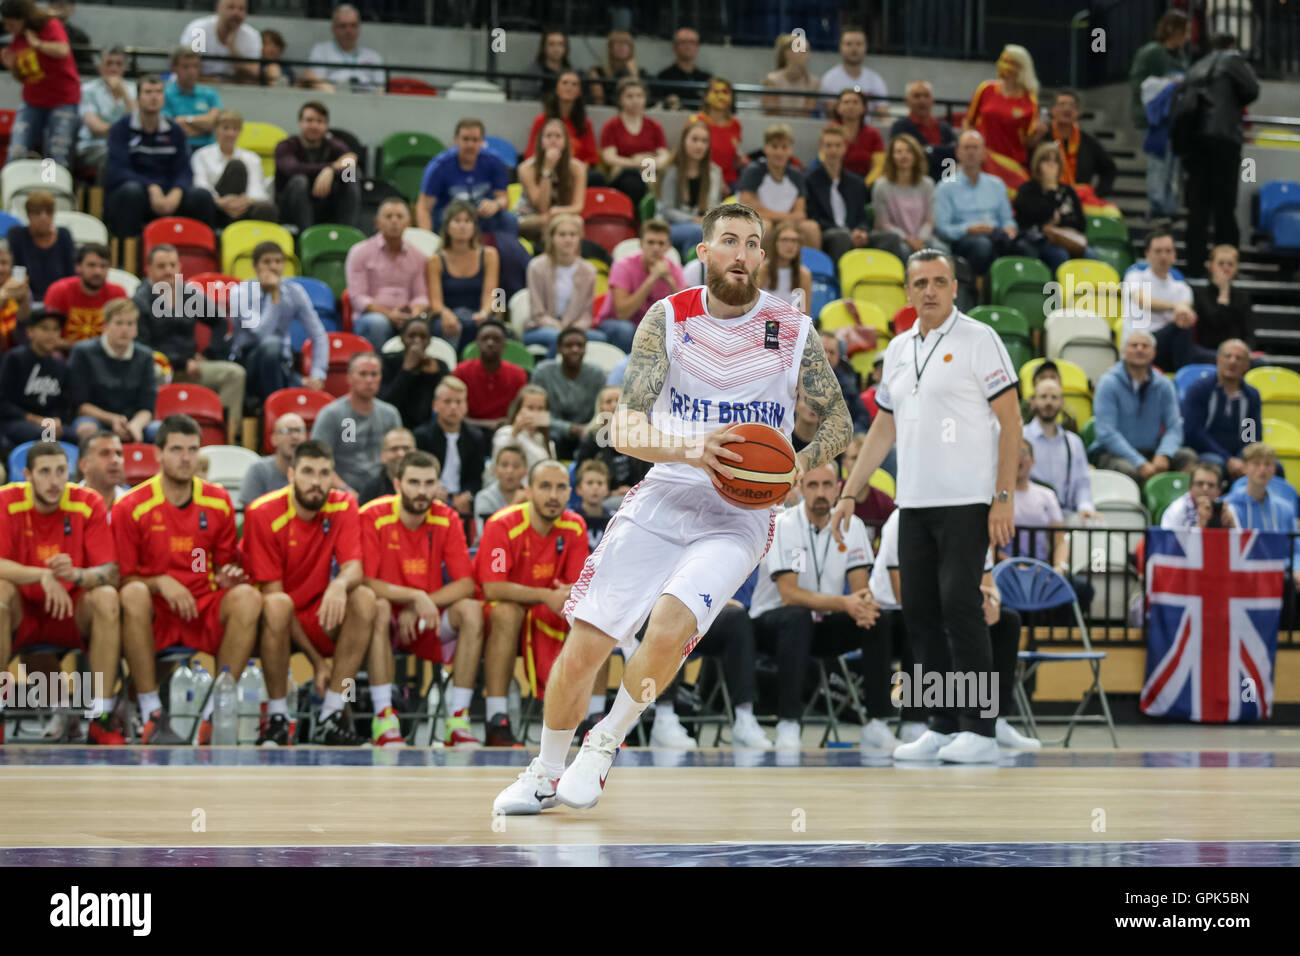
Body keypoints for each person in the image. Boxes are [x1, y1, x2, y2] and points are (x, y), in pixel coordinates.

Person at [492, 202, 852, 814]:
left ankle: (604, 745)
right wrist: (696, 448)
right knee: (585, 644)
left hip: (739, 516)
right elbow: (625, 429)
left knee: (669, 623)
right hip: (665, 492)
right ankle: (545, 771)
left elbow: (839, 421)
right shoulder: (666, 318)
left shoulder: (792, 328)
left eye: (753, 243)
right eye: (729, 241)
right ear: (704, 252)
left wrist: (798, 460)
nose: (741, 253)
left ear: (764, 257)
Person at [833, 249, 1023, 765]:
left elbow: (1012, 423)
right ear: (908, 291)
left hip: (967, 500)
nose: (931, 291)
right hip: (912, 502)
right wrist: (851, 490)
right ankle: (940, 724)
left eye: (940, 282)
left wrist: (1002, 497)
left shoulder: (979, 340)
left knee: (961, 607)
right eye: (921, 283)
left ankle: (980, 732)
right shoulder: (896, 349)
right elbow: (883, 428)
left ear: (956, 287)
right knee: (918, 613)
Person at [113, 415, 265, 744]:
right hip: (156, 609)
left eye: (192, 450)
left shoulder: (218, 499)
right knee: (134, 593)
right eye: (177, 449)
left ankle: (214, 713)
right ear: (158, 454)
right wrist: (160, 582)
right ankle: (152, 711)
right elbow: (124, 578)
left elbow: (224, 564)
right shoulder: (131, 506)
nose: (186, 458)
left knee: (249, 598)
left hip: (201, 603)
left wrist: (228, 577)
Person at [749, 463, 895, 750]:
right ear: (801, 489)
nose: (820, 493)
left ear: (838, 489)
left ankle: (878, 723)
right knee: (798, 616)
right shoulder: (784, 525)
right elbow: (789, 594)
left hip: (822, 623)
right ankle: (789, 723)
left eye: (827, 485)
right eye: (813, 485)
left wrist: (865, 606)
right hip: (773, 623)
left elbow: (860, 591)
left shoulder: (851, 526)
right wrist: (846, 603)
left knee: (879, 620)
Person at [241, 439, 376, 746]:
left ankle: (330, 715)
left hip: (320, 614)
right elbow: (275, 599)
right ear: (291, 475)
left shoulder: (343, 504)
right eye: (308, 472)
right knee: (277, 604)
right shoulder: (262, 513)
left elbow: (354, 568)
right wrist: (317, 663)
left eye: (324, 473)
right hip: (275, 623)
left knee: (365, 599)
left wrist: (339, 584)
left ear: (333, 476)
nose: (316, 482)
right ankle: (277, 718)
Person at [872, 508, 1039, 750]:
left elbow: (988, 584)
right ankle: (920, 721)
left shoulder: (973, 519)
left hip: (954, 609)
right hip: (895, 612)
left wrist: (992, 602)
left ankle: (994, 718)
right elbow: (903, 593)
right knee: (924, 620)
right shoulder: (902, 520)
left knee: (1006, 622)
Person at [0, 442, 124, 744]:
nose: (55, 482)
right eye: (45, 472)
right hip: (22, 612)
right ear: (27, 474)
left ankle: (102, 717)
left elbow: (110, 571)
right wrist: (42, 574)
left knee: (107, 597)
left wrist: (77, 575)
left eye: (61, 472)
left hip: (71, 611)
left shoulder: (87, 502)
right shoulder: (6, 501)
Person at [361, 450, 484, 746]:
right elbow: (365, 581)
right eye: (414, 482)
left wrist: (424, 602)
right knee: (375, 605)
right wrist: (414, 597)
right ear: (397, 484)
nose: (422, 490)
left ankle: (458, 718)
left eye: (429, 483)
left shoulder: (447, 517)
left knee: (471, 610)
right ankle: (384, 719)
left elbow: (467, 584)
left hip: (426, 618)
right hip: (384, 618)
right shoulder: (372, 515)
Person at [478, 459, 589, 747]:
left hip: (548, 613)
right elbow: (492, 588)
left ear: (570, 492)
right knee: (506, 613)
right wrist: (544, 596)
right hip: (496, 618)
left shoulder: (575, 525)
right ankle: (496, 719)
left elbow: (576, 586)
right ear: (528, 491)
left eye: (560, 488)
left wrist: (560, 596)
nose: (553, 495)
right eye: (545, 487)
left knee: (592, 616)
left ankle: (591, 717)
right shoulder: (501, 524)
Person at [133, 244, 245, 443]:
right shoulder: (140, 300)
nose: (168, 271)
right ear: (148, 270)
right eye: (161, 266)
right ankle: (157, 436)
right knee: (156, 372)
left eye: (172, 265)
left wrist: (210, 354)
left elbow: (219, 321)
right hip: (157, 370)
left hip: (191, 368)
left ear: (179, 267)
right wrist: (181, 363)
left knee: (234, 374)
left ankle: (224, 436)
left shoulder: (187, 293)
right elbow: (142, 347)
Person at [1182, 34, 1259, 277]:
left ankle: (1195, 267)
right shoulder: (1231, 61)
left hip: (1194, 142)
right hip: (1223, 140)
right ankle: (1227, 268)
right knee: (1225, 207)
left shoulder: (1196, 66)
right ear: (1232, 46)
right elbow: (1251, 90)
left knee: (1198, 209)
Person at [103, 74, 216, 238]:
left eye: (158, 92)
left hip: (169, 195)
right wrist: (151, 187)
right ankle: (124, 255)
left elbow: (184, 170)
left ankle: (202, 251)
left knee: (201, 196)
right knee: (130, 192)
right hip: (138, 193)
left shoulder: (175, 130)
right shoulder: (121, 128)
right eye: (148, 92)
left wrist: (176, 192)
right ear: (138, 97)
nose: (154, 97)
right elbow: (118, 171)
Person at [1089, 330, 1196, 482]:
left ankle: (1180, 504)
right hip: (1112, 453)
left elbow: (1174, 427)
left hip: (1152, 452)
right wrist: (1140, 463)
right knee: (1128, 471)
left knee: (1188, 457)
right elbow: (1106, 432)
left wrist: (1164, 454)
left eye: (1145, 346)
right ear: (1124, 351)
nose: (1139, 349)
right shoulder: (1108, 383)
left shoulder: (1164, 384)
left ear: (1153, 352)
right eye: (1134, 345)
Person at [229, 241, 328, 401]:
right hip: (247, 365)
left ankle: (284, 397)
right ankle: (277, 405)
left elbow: (318, 334)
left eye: (278, 261)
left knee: (305, 385)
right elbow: (261, 335)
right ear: (255, 266)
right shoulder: (240, 292)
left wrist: (318, 374)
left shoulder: (294, 292)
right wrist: (274, 297)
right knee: (272, 344)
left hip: (282, 366)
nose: (273, 267)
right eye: (267, 262)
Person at [1004, 439, 1095, 610]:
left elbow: (1060, 540)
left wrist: (1058, 568)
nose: (1018, 458)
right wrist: (1016, 567)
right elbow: (991, 543)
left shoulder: (1047, 495)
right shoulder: (999, 495)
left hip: (1041, 569)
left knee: (1082, 588)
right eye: (1013, 453)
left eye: (1023, 453)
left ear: (1032, 461)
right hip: (1007, 570)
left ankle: (1061, 636)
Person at [0, 0, 80, 170]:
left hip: (62, 100)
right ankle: (11, 193)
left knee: (55, 153)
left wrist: (37, 44)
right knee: (17, 149)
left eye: (11, 24)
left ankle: (51, 192)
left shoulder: (50, 25)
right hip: (33, 101)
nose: (7, 29)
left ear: (23, 19)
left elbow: (63, 50)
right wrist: (12, 66)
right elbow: (26, 77)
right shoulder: (18, 39)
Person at [309, 352, 401, 495]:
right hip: (341, 494)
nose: (369, 380)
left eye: (374, 374)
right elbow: (316, 460)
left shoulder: (390, 414)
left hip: (384, 492)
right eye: (363, 374)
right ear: (349, 378)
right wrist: (345, 490)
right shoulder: (331, 414)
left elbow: (400, 457)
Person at [347, 197, 431, 351]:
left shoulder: (418, 256)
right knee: (378, 323)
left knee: (426, 324)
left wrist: (415, 312)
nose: (394, 221)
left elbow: (421, 295)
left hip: (407, 316)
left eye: (399, 216)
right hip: (371, 317)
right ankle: (379, 371)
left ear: (408, 222)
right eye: (388, 216)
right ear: (377, 222)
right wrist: (388, 314)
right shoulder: (360, 252)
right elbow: (358, 298)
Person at [67, 298, 156, 442]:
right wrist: (112, 419)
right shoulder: (83, 352)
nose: (125, 329)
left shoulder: (145, 356)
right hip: (98, 420)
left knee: (162, 430)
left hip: (132, 422)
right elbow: (80, 405)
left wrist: (136, 425)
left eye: (130, 324)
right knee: (86, 428)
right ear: (106, 326)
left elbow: (147, 407)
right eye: (119, 323)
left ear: (136, 328)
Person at [1122, 229, 1213, 371]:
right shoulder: (1135, 276)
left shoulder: (1182, 287)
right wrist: (1176, 307)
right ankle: (1183, 378)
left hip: (1174, 348)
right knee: (1181, 327)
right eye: (1158, 251)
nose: (1163, 256)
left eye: (1168, 251)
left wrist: (1183, 311)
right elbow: (1144, 301)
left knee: (1224, 356)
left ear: (1174, 255)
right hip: (1142, 343)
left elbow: (1185, 310)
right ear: (1147, 254)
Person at [1129, 9, 1189, 221]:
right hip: (1157, 119)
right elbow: (1138, 84)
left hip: (1175, 119)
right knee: (1158, 162)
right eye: (1185, 31)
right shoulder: (1152, 52)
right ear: (1172, 30)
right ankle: (1157, 205)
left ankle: (1170, 205)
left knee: (1173, 165)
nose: (1188, 37)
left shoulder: (1182, 56)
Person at [934, 130, 1018, 276]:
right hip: (963, 240)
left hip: (996, 235)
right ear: (958, 153)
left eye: (975, 147)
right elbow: (942, 228)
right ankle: (976, 292)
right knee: (982, 245)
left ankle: (1012, 294)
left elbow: (1007, 219)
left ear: (984, 153)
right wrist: (968, 229)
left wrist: (1010, 228)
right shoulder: (945, 187)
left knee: (1023, 246)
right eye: (967, 148)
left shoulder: (996, 184)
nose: (971, 152)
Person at [597, 219, 687, 354]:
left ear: (668, 246)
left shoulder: (674, 269)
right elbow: (622, 314)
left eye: (661, 243)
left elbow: (685, 314)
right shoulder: (623, 266)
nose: (656, 248)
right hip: (616, 323)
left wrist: (670, 280)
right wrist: (652, 278)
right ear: (641, 244)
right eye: (651, 242)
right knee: (625, 330)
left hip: (653, 327)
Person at [963, 44, 1045, 188]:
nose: (1002, 65)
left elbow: (1027, 141)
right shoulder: (986, 88)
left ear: (1021, 68)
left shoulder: (1029, 101)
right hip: (982, 160)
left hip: (1010, 163)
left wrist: (1038, 134)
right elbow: (968, 121)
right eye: (1002, 60)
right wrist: (969, 147)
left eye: (1009, 62)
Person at [416, 118, 514, 236]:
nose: (470, 145)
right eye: (465, 139)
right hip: (448, 217)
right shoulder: (439, 166)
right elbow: (423, 207)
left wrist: (496, 204)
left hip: (481, 215)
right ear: (456, 140)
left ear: (482, 141)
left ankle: (507, 251)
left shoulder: (494, 162)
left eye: (475, 140)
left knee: (508, 219)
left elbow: (504, 199)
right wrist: (427, 240)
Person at [413, 376, 488, 528]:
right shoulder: (422, 436)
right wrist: (433, 489)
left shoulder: (475, 437)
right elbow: (418, 471)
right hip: (431, 495)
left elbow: (476, 477)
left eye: (459, 402)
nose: (453, 407)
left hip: (462, 500)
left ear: (466, 406)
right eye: (447, 401)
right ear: (435, 405)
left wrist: (468, 494)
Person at [1180, 338, 1260, 480]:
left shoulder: (1251, 396)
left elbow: (1251, 435)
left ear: (1247, 365)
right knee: (1216, 464)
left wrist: (1243, 459)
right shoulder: (1199, 389)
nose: (1232, 361)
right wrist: (1228, 459)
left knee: (1272, 466)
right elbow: (1194, 432)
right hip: (1205, 452)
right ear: (1218, 360)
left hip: (1238, 456)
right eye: (1228, 356)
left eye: (1239, 358)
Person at [274, 101, 359, 233]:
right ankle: (307, 236)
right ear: (300, 122)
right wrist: (329, 167)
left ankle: (347, 234)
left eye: (320, 121)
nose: (314, 125)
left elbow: (350, 160)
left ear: (326, 125)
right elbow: (293, 169)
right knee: (299, 181)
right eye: (309, 120)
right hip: (290, 209)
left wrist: (331, 171)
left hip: (325, 204)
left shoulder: (333, 145)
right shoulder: (286, 146)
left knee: (351, 175)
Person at [426, 199, 499, 353]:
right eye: (457, 220)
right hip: (449, 315)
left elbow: (493, 293)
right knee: (450, 327)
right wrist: (446, 314)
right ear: (447, 226)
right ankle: (451, 369)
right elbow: (435, 301)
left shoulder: (489, 255)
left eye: (467, 221)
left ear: (474, 227)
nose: (462, 226)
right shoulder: (435, 260)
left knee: (493, 328)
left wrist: (484, 313)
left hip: (478, 313)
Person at [524, 214, 599, 357]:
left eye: (573, 234)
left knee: (601, 338)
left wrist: (573, 329)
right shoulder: (536, 267)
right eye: (562, 234)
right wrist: (559, 328)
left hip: (575, 329)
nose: (568, 239)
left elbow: (586, 314)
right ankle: (551, 375)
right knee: (558, 338)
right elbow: (537, 312)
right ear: (552, 237)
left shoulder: (589, 270)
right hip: (541, 327)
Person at [1011, 141, 1090, 273]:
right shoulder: (1028, 190)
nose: (1051, 165)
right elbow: (1028, 218)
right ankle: (1056, 292)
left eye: (1055, 162)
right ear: (1038, 164)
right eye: (1046, 161)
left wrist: (1058, 223)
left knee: (1090, 255)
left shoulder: (1067, 191)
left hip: (1066, 239)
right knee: (1060, 256)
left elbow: (1081, 224)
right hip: (1037, 241)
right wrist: (1051, 191)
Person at [736, 124, 819, 249]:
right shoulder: (752, 171)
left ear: (791, 150)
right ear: (765, 148)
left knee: (811, 228)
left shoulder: (797, 175)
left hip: (786, 223)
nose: (779, 152)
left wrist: (784, 221)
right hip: (759, 221)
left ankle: (809, 267)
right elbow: (750, 210)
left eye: (784, 147)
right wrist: (785, 218)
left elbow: (800, 214)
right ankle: (758, 267)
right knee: (765, 227)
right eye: (774, 147)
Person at [1023, 377, 1096, 518]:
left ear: (1062, 403)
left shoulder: (1074, 442)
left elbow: (1082, 483)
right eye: (1043, 397)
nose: (1048, 402)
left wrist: (1085, 506)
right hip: (1030, 517)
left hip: (1066, 516)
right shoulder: (1021, 436)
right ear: (1033, 402)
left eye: (1054, 397)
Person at [189, 108, 277, 226]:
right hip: (216, 206)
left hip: (245, 206)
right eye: (225, 128)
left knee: (267, 208)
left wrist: (244, 202)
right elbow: (201, 185)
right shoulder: (201, 155)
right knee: (236, 167)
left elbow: (257, 190)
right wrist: (221, 202)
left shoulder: (252, 158)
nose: (230, 133)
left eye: (235, 129)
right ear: (216, 130)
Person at [532, 328, 607, 459]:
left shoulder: (597, 375)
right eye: (569, 346)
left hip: (588, 431)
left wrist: (588, 428)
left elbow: (601, 410)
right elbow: (535, 413)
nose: (575, 350)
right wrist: (570, 428)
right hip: (552, 430)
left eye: (580, 345)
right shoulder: (543, 372)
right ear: (559, 349)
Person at [868, 132, 943, 263]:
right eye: (898, 151)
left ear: (916, 155)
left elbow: (930, 221)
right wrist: (908, 240)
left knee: (941, 250)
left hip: (923, 238)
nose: (904, 156)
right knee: (904, 251)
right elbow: (883, 224)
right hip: (895, 239)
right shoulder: (881, 185)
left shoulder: (928, 184)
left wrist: (919, 239)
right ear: (891, 156)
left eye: (908, 151)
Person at [0, 310, 69, 447]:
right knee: (44, 434)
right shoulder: (14, 358)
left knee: (78, 436)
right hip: (15, 422)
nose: (51, 335)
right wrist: (37, 420)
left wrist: (55, 420)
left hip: (48, 423)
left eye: (56, 329)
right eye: (45, 328)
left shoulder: (61, 364)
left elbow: (64, 404)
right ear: (30, 332)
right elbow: (3, 402)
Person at [574, 384, 650, 506]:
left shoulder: (641, 436)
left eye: (619, 400)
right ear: (600, 408)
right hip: (602, 499)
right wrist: (609, 493)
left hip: (638, 496)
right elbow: (581, 475)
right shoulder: (591, 440)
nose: (614, 405)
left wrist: (633, 490)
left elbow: (649, 472)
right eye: (609, 401)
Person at [657, 119, 724, 257]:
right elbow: (667, 210)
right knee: (697, 232)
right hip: (670, 225)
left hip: (703, 225)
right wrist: (693, 219)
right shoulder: (670, 170)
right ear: (684, 141)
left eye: (704, 141)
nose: (699, 145)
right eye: (694, 139)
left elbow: (715, 206)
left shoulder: (715, 172)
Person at [599, 78, 669, 207]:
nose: (635, 100)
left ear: (645, 99)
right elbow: (609, 157)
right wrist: (636, 163)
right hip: (622, 172)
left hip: (648, 170)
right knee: (631, 178)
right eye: (629, 96)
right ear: (620, 100)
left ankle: (652, 209)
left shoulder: (654, 126)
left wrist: (648, 162)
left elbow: (664, 156)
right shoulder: (611, 126)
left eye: (639, 96)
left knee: (654, 175)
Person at [806, 125, 871, 266]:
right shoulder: (810, 179)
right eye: (829, 145)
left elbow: (862, 217)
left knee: (888, 238)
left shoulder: (857, 183)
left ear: (844, 148)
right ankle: (839, 283)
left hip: (853, 232)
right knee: (841, 236)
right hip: (827, 233)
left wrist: (862, 231)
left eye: (837, 145)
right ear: (821, 147)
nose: (833, 150)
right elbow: (812, 216)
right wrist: (847, 231)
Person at [515, 118, 586, 247]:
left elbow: (578, 207)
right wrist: (547, 170)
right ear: (541, 141)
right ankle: (548, 259)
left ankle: (573, 259)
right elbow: (541, 207)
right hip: (529, 216)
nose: (553, 140)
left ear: (565, 142)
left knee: (577, 221)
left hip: (558, 214)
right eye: (548, 136)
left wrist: (557, 211)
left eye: (558, 136)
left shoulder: (577, 168)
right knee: (548, 221)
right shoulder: (526, 168)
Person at [42, 243, 122, 345]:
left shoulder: (118, 294)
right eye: (91, 265)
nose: (98, 271)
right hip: (64, 356)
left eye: (103, 266)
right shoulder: (58, 291)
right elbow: (47, 338)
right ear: (78, 267)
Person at [379, 315, 447, 430]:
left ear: (429, 341)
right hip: (392, 426)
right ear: (402, 338)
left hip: (426, 430)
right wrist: (406, 370)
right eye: (412, 336)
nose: (417, 341)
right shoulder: (387, 362)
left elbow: (441, 407)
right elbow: (386, 404)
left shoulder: (440, 366)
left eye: (423, 336)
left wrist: (433, 376)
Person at [523, 70, 601, 170]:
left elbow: (591, 158)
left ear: (579, 92)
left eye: (574, 84)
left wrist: (578, 173)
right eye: (565, 83)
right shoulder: (541, 121)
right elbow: (531, 153)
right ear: (557, 88)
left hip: (576, 171)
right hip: (547, 168)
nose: (569, 87)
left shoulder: (585, 123)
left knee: (597, 177)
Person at [1047, 88, 1116, 201]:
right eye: (1062, 104)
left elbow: (1109, 169)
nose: (1067, 109)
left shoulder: (1089, 142)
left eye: (1072, 105)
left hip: (1080, 200)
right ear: (1052, 110)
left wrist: (1097, 193)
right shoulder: (1042, 138)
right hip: (1047, 198)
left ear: (1078, 112)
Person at [76, 45, 135, 174]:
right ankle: (105, 195)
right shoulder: (88, 90)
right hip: (93, 147)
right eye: (109, 63)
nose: (113, 68)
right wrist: (125, 130)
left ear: (124, 67)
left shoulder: (133, 89)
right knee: (113, 155)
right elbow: (96, 129)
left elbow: (138, 122)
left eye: (118, 64)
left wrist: (123, 92)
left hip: (127, 146)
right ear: (100, 67)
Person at [5, 192, 73, 302]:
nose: (44, 217)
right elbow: (15, 274)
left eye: (49, 212)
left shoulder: (64, 235)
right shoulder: (16, 235)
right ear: (28, 215)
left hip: (58, 301)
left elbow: (70, 276)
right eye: (37, 213)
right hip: (25, 301)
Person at [304, 4, 384, 93]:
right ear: (333, 28)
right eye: (343, 26)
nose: (348, 30)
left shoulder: (373, 56)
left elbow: (382, 87)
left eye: (353, 25)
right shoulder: (321, 51)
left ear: (359, 27)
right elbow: (315, 79)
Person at [889, 80, 957, 183]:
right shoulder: (900, 127)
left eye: (926, 96)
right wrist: (941, 151)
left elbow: (954, 154)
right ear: (907, 101)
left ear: (932, 100)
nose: (922, 100)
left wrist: (929, 149)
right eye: (917, 96)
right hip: (914, 183)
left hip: (945, 182)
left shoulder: (945, 127)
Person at [179, 0, 261, 84]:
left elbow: (254, 75)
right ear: (218, 8)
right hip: (198, 89)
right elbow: (187, 71)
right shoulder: (199, 31)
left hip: (236, 92)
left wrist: (233, 50)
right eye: (231, 7)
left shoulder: (252, 36)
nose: (236, 13)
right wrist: (219, 81)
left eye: (241, 9)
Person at [1193, 245, 1254, 350]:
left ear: (1236, 268)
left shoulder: (1242, 297)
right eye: (1221, 263)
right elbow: (1214, 327)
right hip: (1209, 351)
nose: (1225, 268)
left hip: (1237, 352)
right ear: (1210, 265)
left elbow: (1249, 334)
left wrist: (1246, 350)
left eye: (1230, 264)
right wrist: (1224, 292)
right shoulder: (1200, 295)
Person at [239, 411, 304, 508]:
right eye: (287, 431)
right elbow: (251, 513)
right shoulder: (258, 470)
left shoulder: (314, 472)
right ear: (274, 439)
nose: (295, 436)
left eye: (299, 431)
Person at [690, 77, 744, 192]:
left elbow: (735, 156)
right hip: (704, 176)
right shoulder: (696, 121)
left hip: (731, 180)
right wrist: (718, 180)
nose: (720, 96)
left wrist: (741, 161)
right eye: (716, 92)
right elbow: (691, 156)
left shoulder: (736, 124)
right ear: (706, 96)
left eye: (725, 92)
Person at [163, 48, 222, 149]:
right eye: (185, 67)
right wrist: (203, 127)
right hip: (175, 148)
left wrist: (186, 119)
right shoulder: (164, 94)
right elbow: (170, 127)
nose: (191, 71)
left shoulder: (210, 94)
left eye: (195, 66)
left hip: (207, 150)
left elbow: (215, 123)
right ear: (174, 68)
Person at [818, 25, 887, 107]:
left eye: (858, 44)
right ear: (840, 47)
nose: (854, 49)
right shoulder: (829, 80)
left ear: (865, 47)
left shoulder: (876, 80)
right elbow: (829, 114)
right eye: (848, 44)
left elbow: (884, 114)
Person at [492, 384, 557, 471]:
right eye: (530, 407)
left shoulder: (546, 441)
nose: (535, 412)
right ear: (519, 409)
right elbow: (497, 460)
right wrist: (515, 432)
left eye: (541, 408)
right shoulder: (505, 432)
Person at [1160, 460, 1237, 530]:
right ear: (1190, 487)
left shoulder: (1226, 509)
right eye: (1200, 484)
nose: (1205, 488)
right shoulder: (1176, 509)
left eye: (1211, 485)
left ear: (1219, 491)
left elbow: (1241, 542)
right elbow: (1167, 543)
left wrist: (1232, 526)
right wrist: (1200, 525)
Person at [827, 88, 884, 181]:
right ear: (838, 108)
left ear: (864, 108)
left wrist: (865, 185)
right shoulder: (831, 129)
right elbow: (825, 159)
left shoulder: (873, 133)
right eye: (846, 102)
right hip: (837, 179)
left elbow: (879, 166)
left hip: (866, 181)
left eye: (855, 102)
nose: (851, 106)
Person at [756, 220, 812, 314]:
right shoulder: (762, 270)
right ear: (775, 243)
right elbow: (753, 309)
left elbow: (805, 314)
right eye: (784, 240)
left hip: (793, 325)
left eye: (794, 241)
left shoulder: (804, 274)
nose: (790, 245)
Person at [820, 331, 872, 433]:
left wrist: (850, 435)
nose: (827, 356)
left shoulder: (847, 382)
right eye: (823, 350)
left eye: (832, 352)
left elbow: (862, 417)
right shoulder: (797, 376)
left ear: (839, 356)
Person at [585, 29, 649, 107]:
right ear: (610, 48)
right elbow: (599, 103)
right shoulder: (597, 72)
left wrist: (633, 75)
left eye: (625, 43)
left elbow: (644, 103)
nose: (621, 46)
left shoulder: (642, 73)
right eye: (617, 43)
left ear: (631, 48)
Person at [761, 33, 819, 119]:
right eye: (802, 50)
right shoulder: (772, 80)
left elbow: (806, 116)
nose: (807, 56)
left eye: (808, 51)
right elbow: (772, 115)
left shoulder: (813, 83)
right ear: (788, 53)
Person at [653, 27, 710, 111]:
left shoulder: (707, 79)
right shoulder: (663, 78)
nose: (688, 46)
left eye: (692, 42)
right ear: (674, 47)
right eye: (683, 42)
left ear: (698, 47)